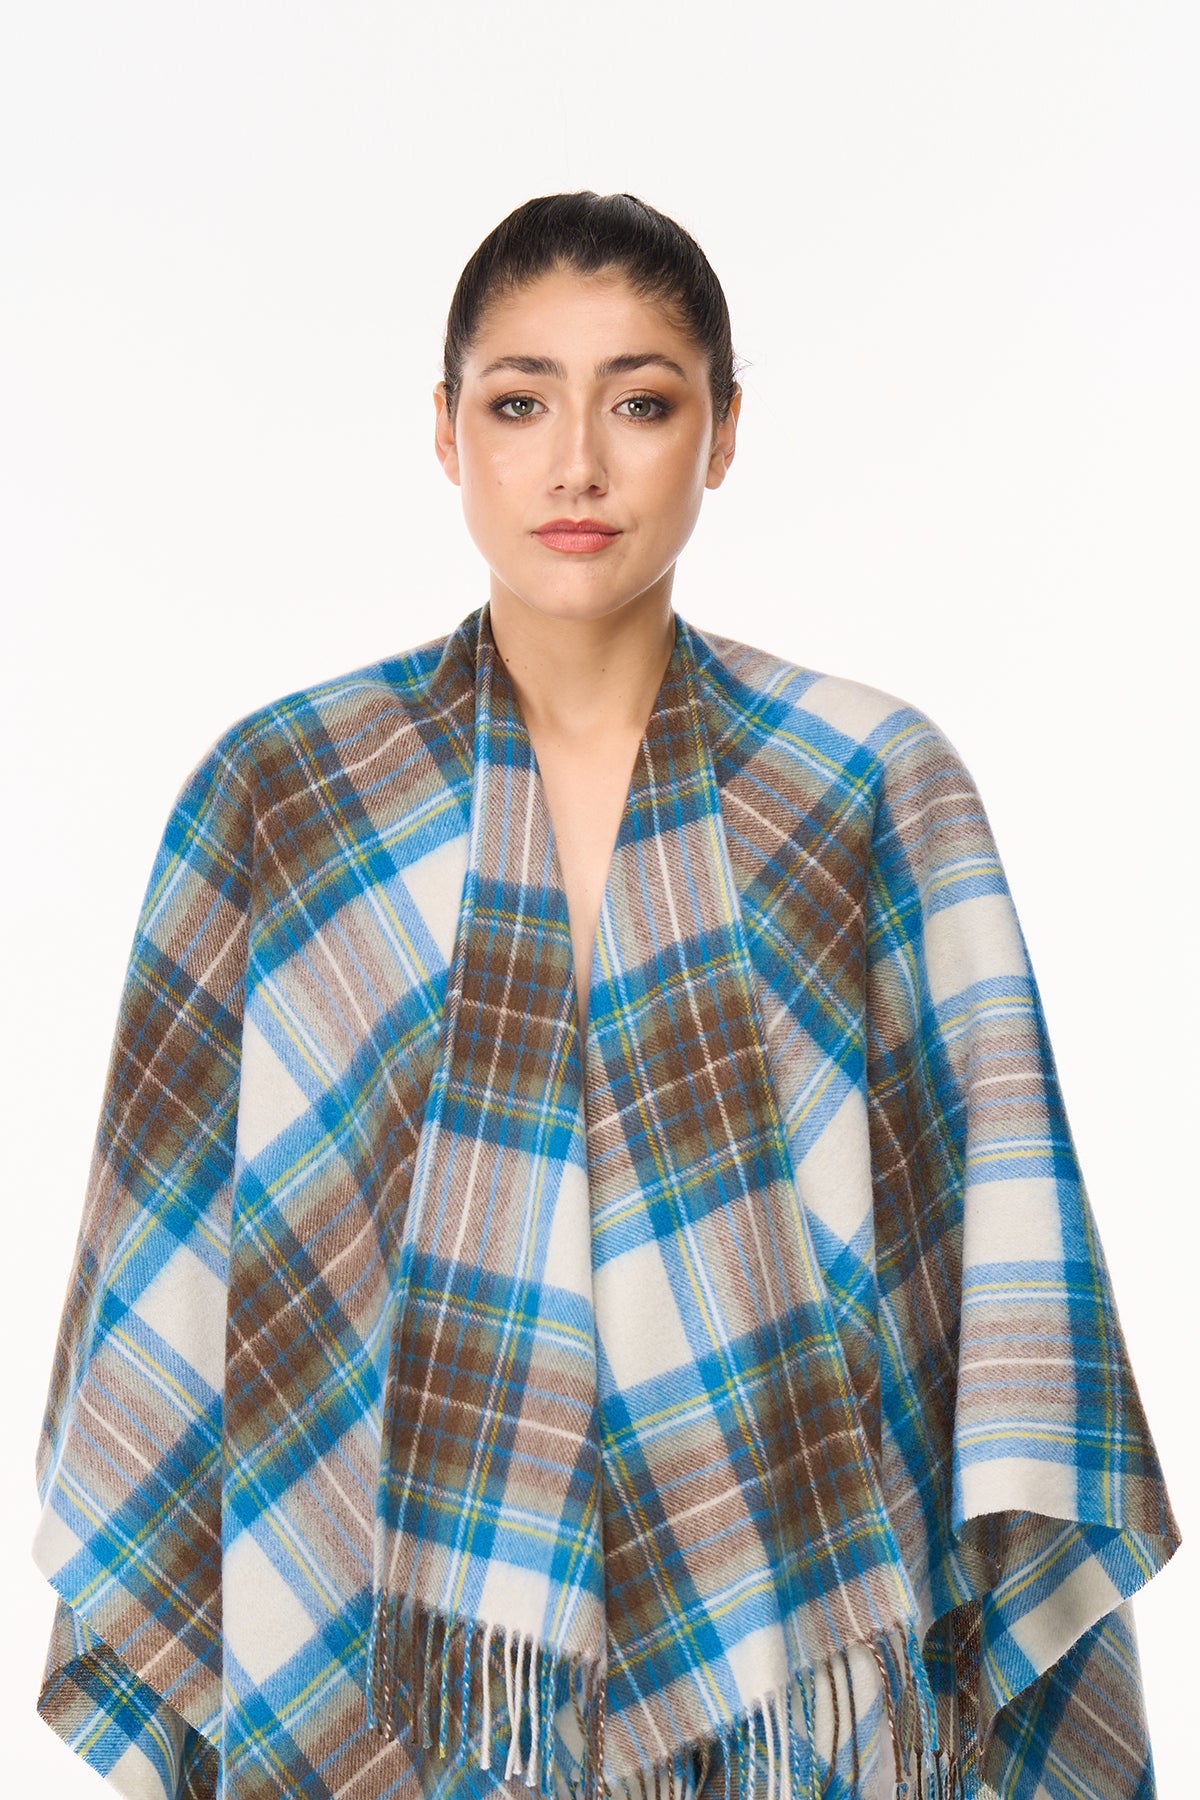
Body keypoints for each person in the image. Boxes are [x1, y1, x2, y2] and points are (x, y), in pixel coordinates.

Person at [32, 191, 1178, 1800]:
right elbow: (189, 1271)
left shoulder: (863, 785)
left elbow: (987, 1251)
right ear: (446, 432)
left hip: (792, 1660)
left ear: (723, 434)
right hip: (386, 1666)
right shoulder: (289, 794)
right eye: (521, 404)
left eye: (640, 403)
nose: (577, 464)